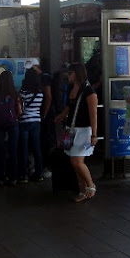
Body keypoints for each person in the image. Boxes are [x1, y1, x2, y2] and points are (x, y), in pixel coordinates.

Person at [55, 62, 98, 202]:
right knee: (75, 162)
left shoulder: (89, 91)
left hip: (84, 130)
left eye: (71, 73)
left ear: (77, 73)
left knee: (76, 161)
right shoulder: (72, 88)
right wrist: (61, 116)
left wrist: (94, 134)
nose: (68, 76)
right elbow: (69, 107)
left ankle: (90, 186)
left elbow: (93, 115)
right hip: (72, 129)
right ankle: (82, 190)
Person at [0, 69, 22, 187]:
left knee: (0, 151)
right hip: (12, 124)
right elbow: (19, 111)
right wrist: (15, 117)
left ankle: (0, 178)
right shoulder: (14, 93)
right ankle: (13, 177)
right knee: (13, 151)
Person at [18, 68, 44, 183]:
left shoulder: (23, 93)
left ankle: (24, 175)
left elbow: (21, 109)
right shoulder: (40, 93)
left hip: (24, 122)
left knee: (24, 149)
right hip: (36, 122)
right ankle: (39, 174)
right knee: (37, 148)